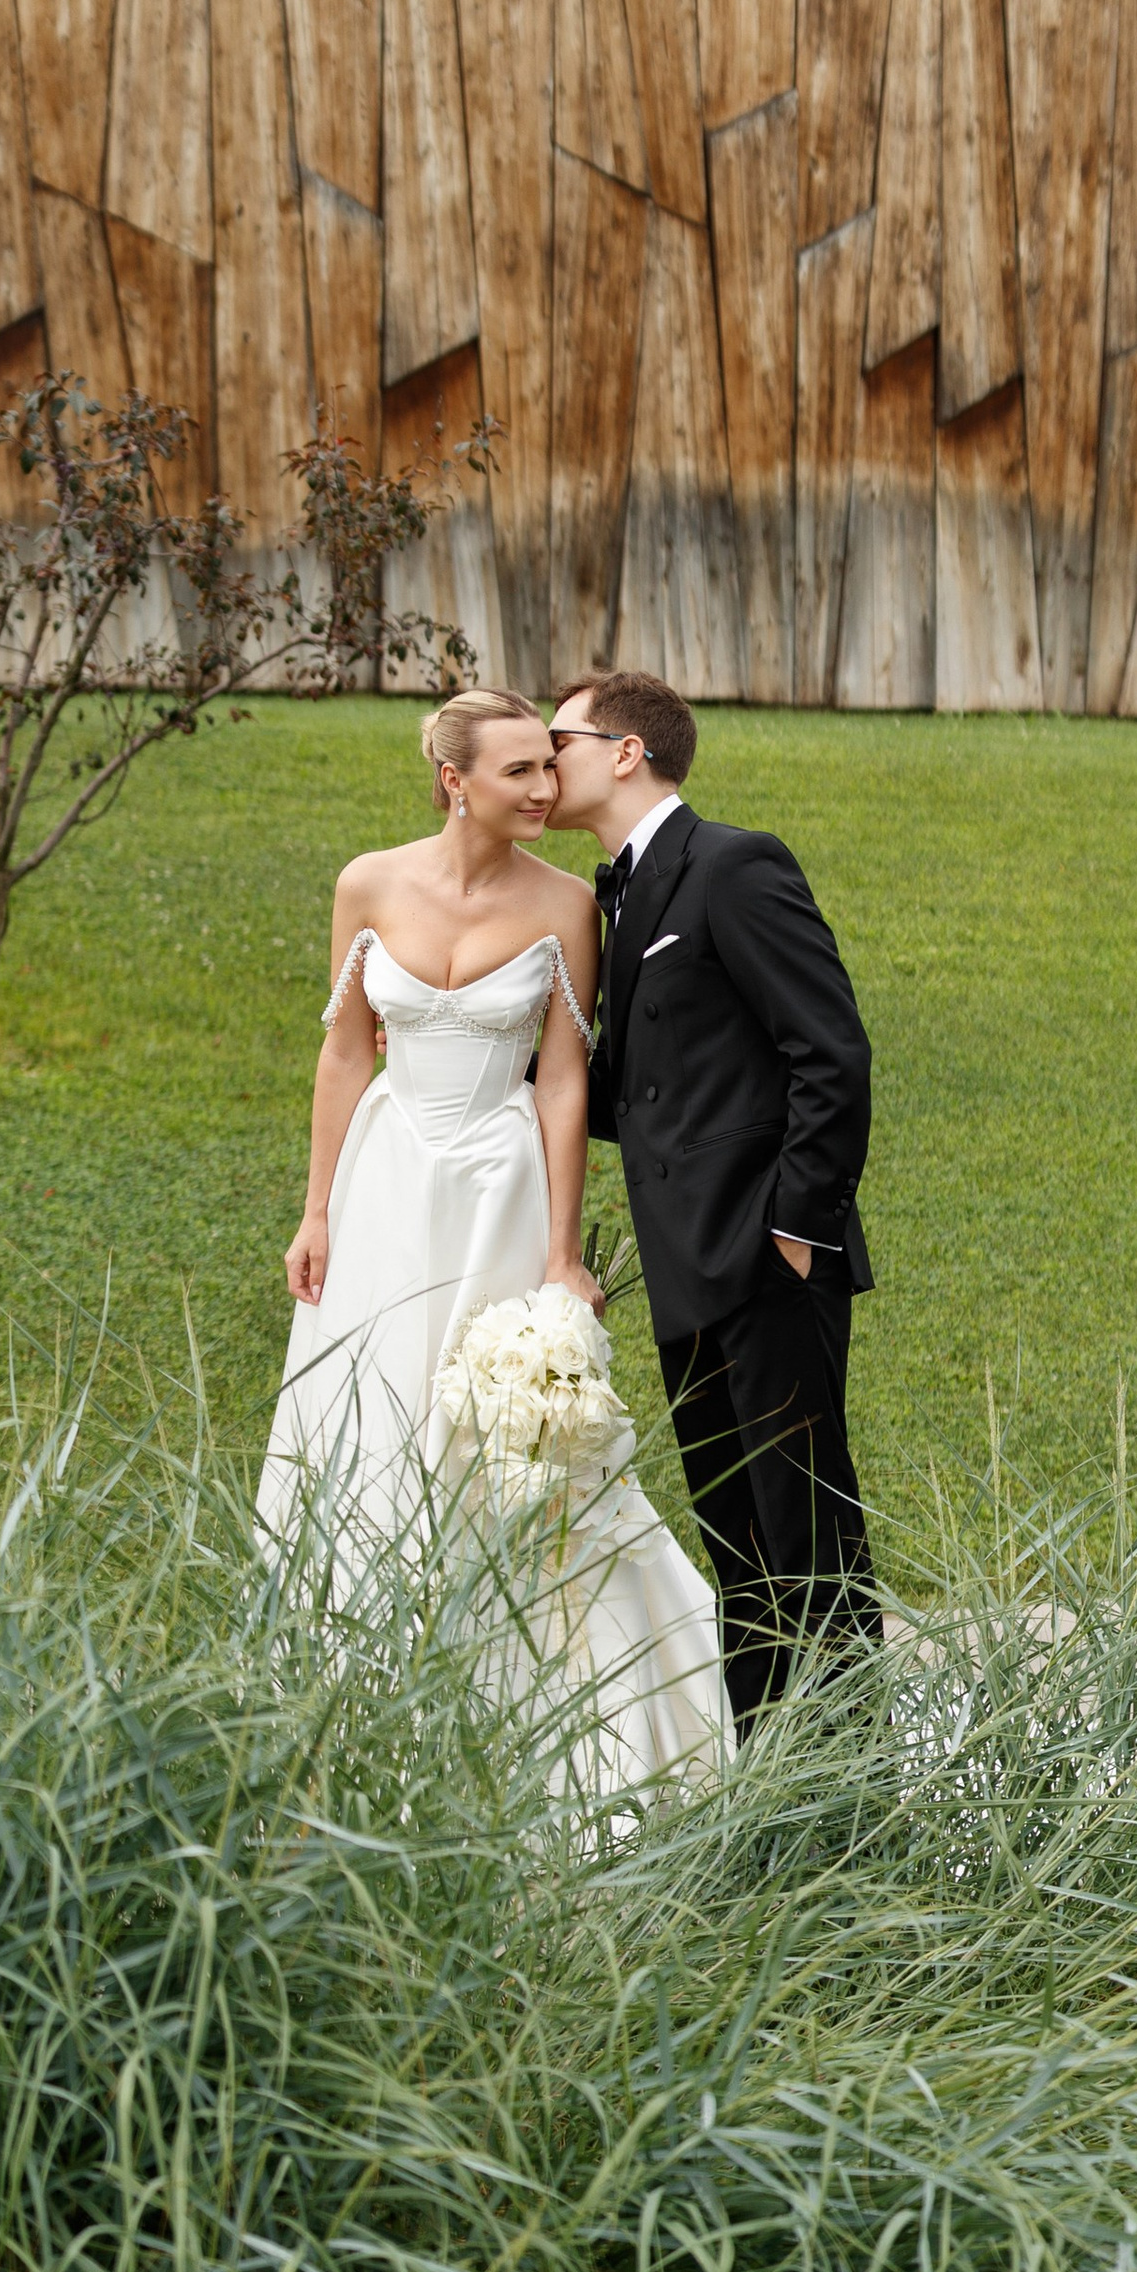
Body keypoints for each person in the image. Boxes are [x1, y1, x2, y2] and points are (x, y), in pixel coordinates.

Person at [259, 687, 726, 1785]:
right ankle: (356, 1702)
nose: (543, 787)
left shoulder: (569, 903)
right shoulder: (366, 883)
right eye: (518, 771)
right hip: (385, 1184)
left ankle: (536, 1705)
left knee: (496, 1431)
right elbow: (343, 1054)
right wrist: (317, 1206)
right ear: (452, 779)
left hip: (500, 1184)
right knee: (367, 1421)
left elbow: (564, 1079)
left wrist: (563, 1254)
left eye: (546, 766)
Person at [543, 670, 879, 1732]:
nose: (545, 760)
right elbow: (642, 1094)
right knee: (736, 1545)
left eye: (558, 740)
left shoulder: (733, 865)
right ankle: (765, 1786)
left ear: (625, 751)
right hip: (688, 1275)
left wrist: (793, 1229)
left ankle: (852, 1797)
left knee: (808, 1545)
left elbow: (830, 1052)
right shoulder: (621, 888)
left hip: (766, 1264)